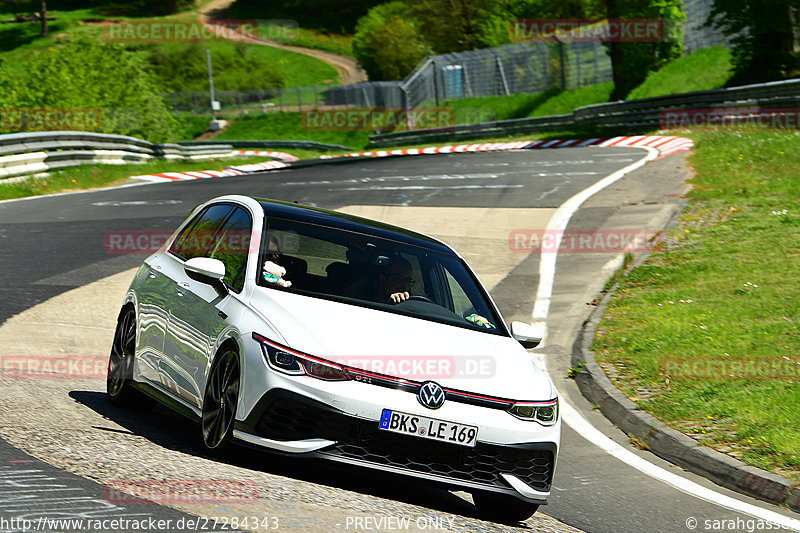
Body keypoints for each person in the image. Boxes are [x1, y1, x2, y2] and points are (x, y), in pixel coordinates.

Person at [344, 255, 415, 304]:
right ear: (382, 279)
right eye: (398, 279)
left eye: (408, 281)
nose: (404, 286)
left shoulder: (411, 306)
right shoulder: (361, 301)